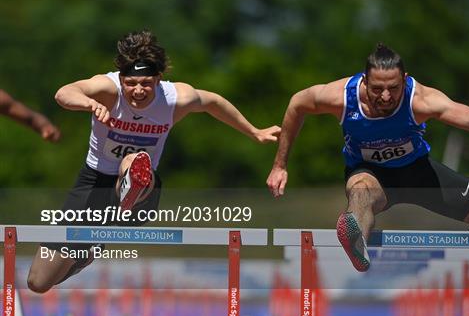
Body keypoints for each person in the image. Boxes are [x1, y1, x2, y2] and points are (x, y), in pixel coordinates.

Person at [27, 30, 281, 293]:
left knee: (134, 160)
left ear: (159, 80)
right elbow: (64, 93)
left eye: (146, 83)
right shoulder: (107, 89)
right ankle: (87, 250)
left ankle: (129, 188)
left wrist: (254, 131)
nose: (138, 91)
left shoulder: (174, 99)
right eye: (131, 83)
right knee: (39, 281)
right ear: (121, 79)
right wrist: (89, 104)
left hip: (144, 189)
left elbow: (213, 102)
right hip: (93, 183)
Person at [267, 43, 469, 272]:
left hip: (420, 173)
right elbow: (297, 104)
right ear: (364, 82)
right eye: (377, 89)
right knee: (360, 196)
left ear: (405, 79)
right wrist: (280, 165)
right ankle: (355, 240)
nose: (386, 97)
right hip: (370, 174)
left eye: (394, 88)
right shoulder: (341, 98)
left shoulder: (420, 100)